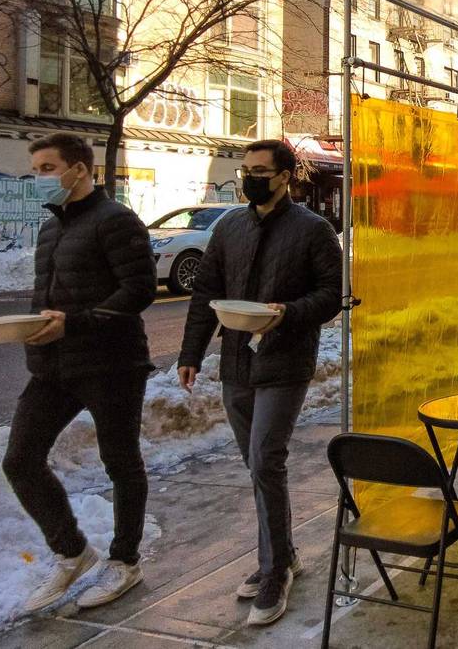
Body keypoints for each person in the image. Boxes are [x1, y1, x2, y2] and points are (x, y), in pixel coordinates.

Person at [177, 139, 341, 626]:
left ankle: (273, 571)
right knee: (255, 462)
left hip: (285, 360)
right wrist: (190, 352)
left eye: (260, 171)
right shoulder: (230, 226)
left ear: (286, 175)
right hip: (236, 362)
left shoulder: (313, 230)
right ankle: (283, 553)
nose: (250, 177)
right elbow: (207, 291)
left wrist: (288, 314)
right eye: (245, 169)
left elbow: (332, 294)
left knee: (266, 458)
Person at [3, 133, 156, 613]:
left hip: (111, 365)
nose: (39, 178)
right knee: (19, 460)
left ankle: (125, 561)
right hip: (53, 365)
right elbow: (45, 294)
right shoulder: (51, 228)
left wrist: (76, 323)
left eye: (47, 168)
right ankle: (71, 551)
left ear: (80, 170)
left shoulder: (116, 220)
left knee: (121, 463)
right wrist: (30, 331)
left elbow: (139, 290)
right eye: (36, 169)